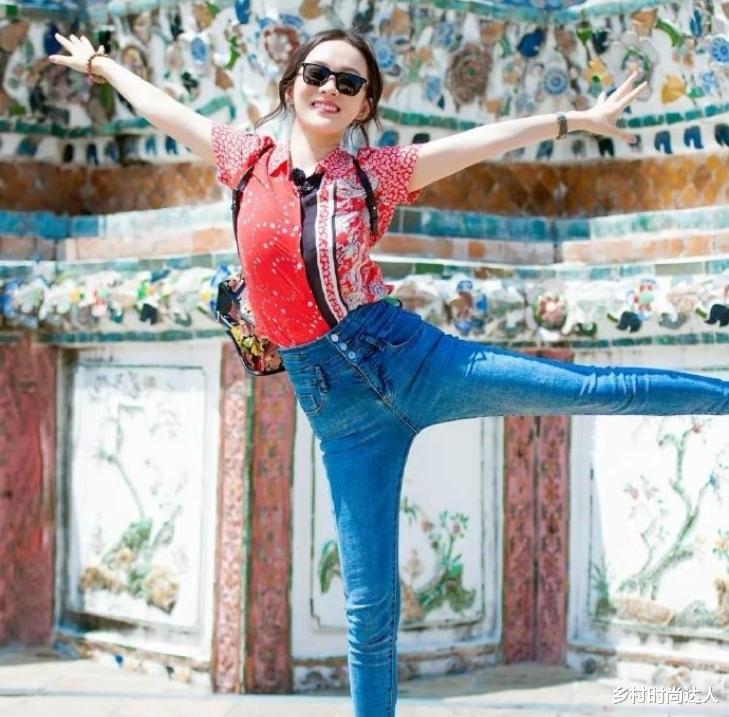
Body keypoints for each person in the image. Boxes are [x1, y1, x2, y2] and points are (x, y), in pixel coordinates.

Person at [50, 28, 729, 717]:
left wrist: (573, 120)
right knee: (368, 609)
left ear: (364, 104)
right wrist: (101, 65)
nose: (330, 90)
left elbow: (479, 142)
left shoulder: (375, 174)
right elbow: (163, 109)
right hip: (342, 416)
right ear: (291, 83)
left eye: (349, 83)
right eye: (317, 74)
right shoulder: (244, 158)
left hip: (414, 361)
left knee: (589, 390)